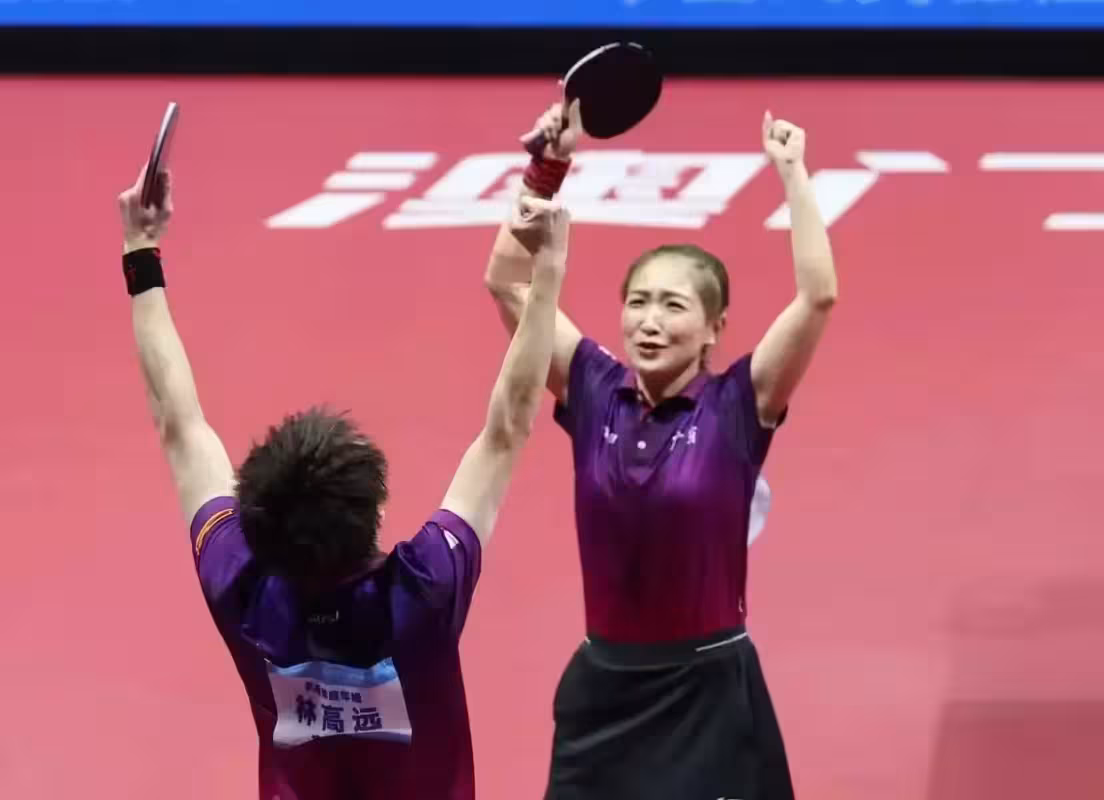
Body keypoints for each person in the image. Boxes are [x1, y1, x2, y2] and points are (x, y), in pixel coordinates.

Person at [117, 163, 571, 799]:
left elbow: (180, 427)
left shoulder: (240, 586)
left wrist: (141, 251)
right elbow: (507, 427)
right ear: (373, 511)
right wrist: (547, 271)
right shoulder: (423, 590)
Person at [484, 101, 837, 800]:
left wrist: (793, 174)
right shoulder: (593, 389)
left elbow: (818, 297)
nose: (649, 321)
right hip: (605, 690)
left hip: (707, 692)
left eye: (673, 306)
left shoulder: (739, 405)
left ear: (714, 328)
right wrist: (546, 169)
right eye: (638, 302)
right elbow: (506, 281)